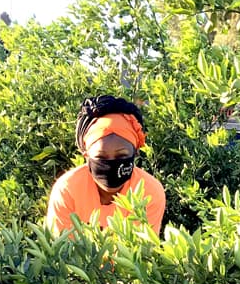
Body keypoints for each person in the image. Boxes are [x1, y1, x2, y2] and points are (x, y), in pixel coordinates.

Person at [45, 94, 166, 234]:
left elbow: (141, 251)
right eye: (101, 156)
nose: (111, 164)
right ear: (86, 155)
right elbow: (60, 250)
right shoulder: (68, 189)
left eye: (122, 156)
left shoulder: (149, 192)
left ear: (135, 153)